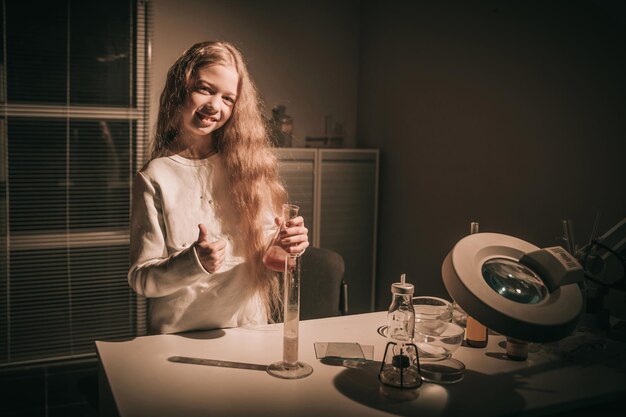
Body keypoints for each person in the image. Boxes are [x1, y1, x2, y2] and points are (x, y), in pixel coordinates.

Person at [128, 41, 309, 334]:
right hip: (178, 338)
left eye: (228, 98)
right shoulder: (155, 176)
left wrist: (287, 245)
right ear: (180, 89)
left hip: (249, 330)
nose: (215, 106)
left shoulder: (249, 167)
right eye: (205, 89)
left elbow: (270, 259)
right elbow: (141, 279)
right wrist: (192, 262)